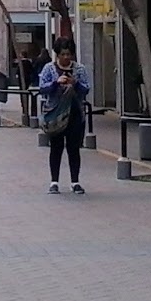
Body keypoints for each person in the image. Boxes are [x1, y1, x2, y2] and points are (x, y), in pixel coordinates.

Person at [38, 37, 91, 195]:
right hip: (55, 114)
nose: (66, 57)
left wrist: (75, 83)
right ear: (57, 54)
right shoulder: (49, 68)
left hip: (75, 113)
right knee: (56, 147)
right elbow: (42, 88)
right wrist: (56, 83)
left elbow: (86, 89)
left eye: (69, 54)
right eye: (63, 54)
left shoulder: (79, 69)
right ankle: (54, 181)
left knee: (74, 148)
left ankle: (75, 181)